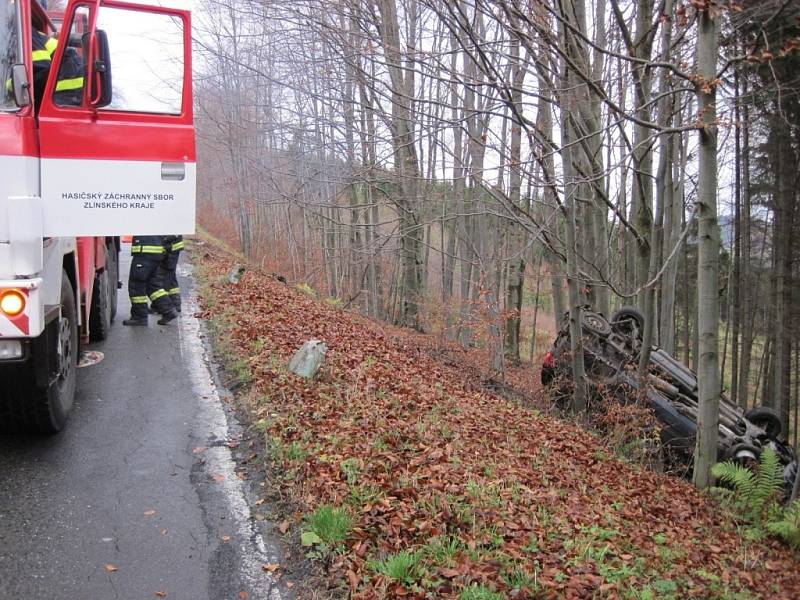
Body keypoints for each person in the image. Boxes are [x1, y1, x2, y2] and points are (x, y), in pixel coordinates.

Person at [123, 236, 178, 326]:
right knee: (152, 285)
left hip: (145, 252)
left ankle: (139, 317)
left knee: (136, 286)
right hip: (155, 252)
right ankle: (168, 311)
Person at [160, 235, 184, 313]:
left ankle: (163, 305)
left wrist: (165, 239)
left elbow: (174, 234)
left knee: (166, 276)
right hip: (171, 247)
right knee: (171, 276)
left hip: (172, 247)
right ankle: (175, 303)